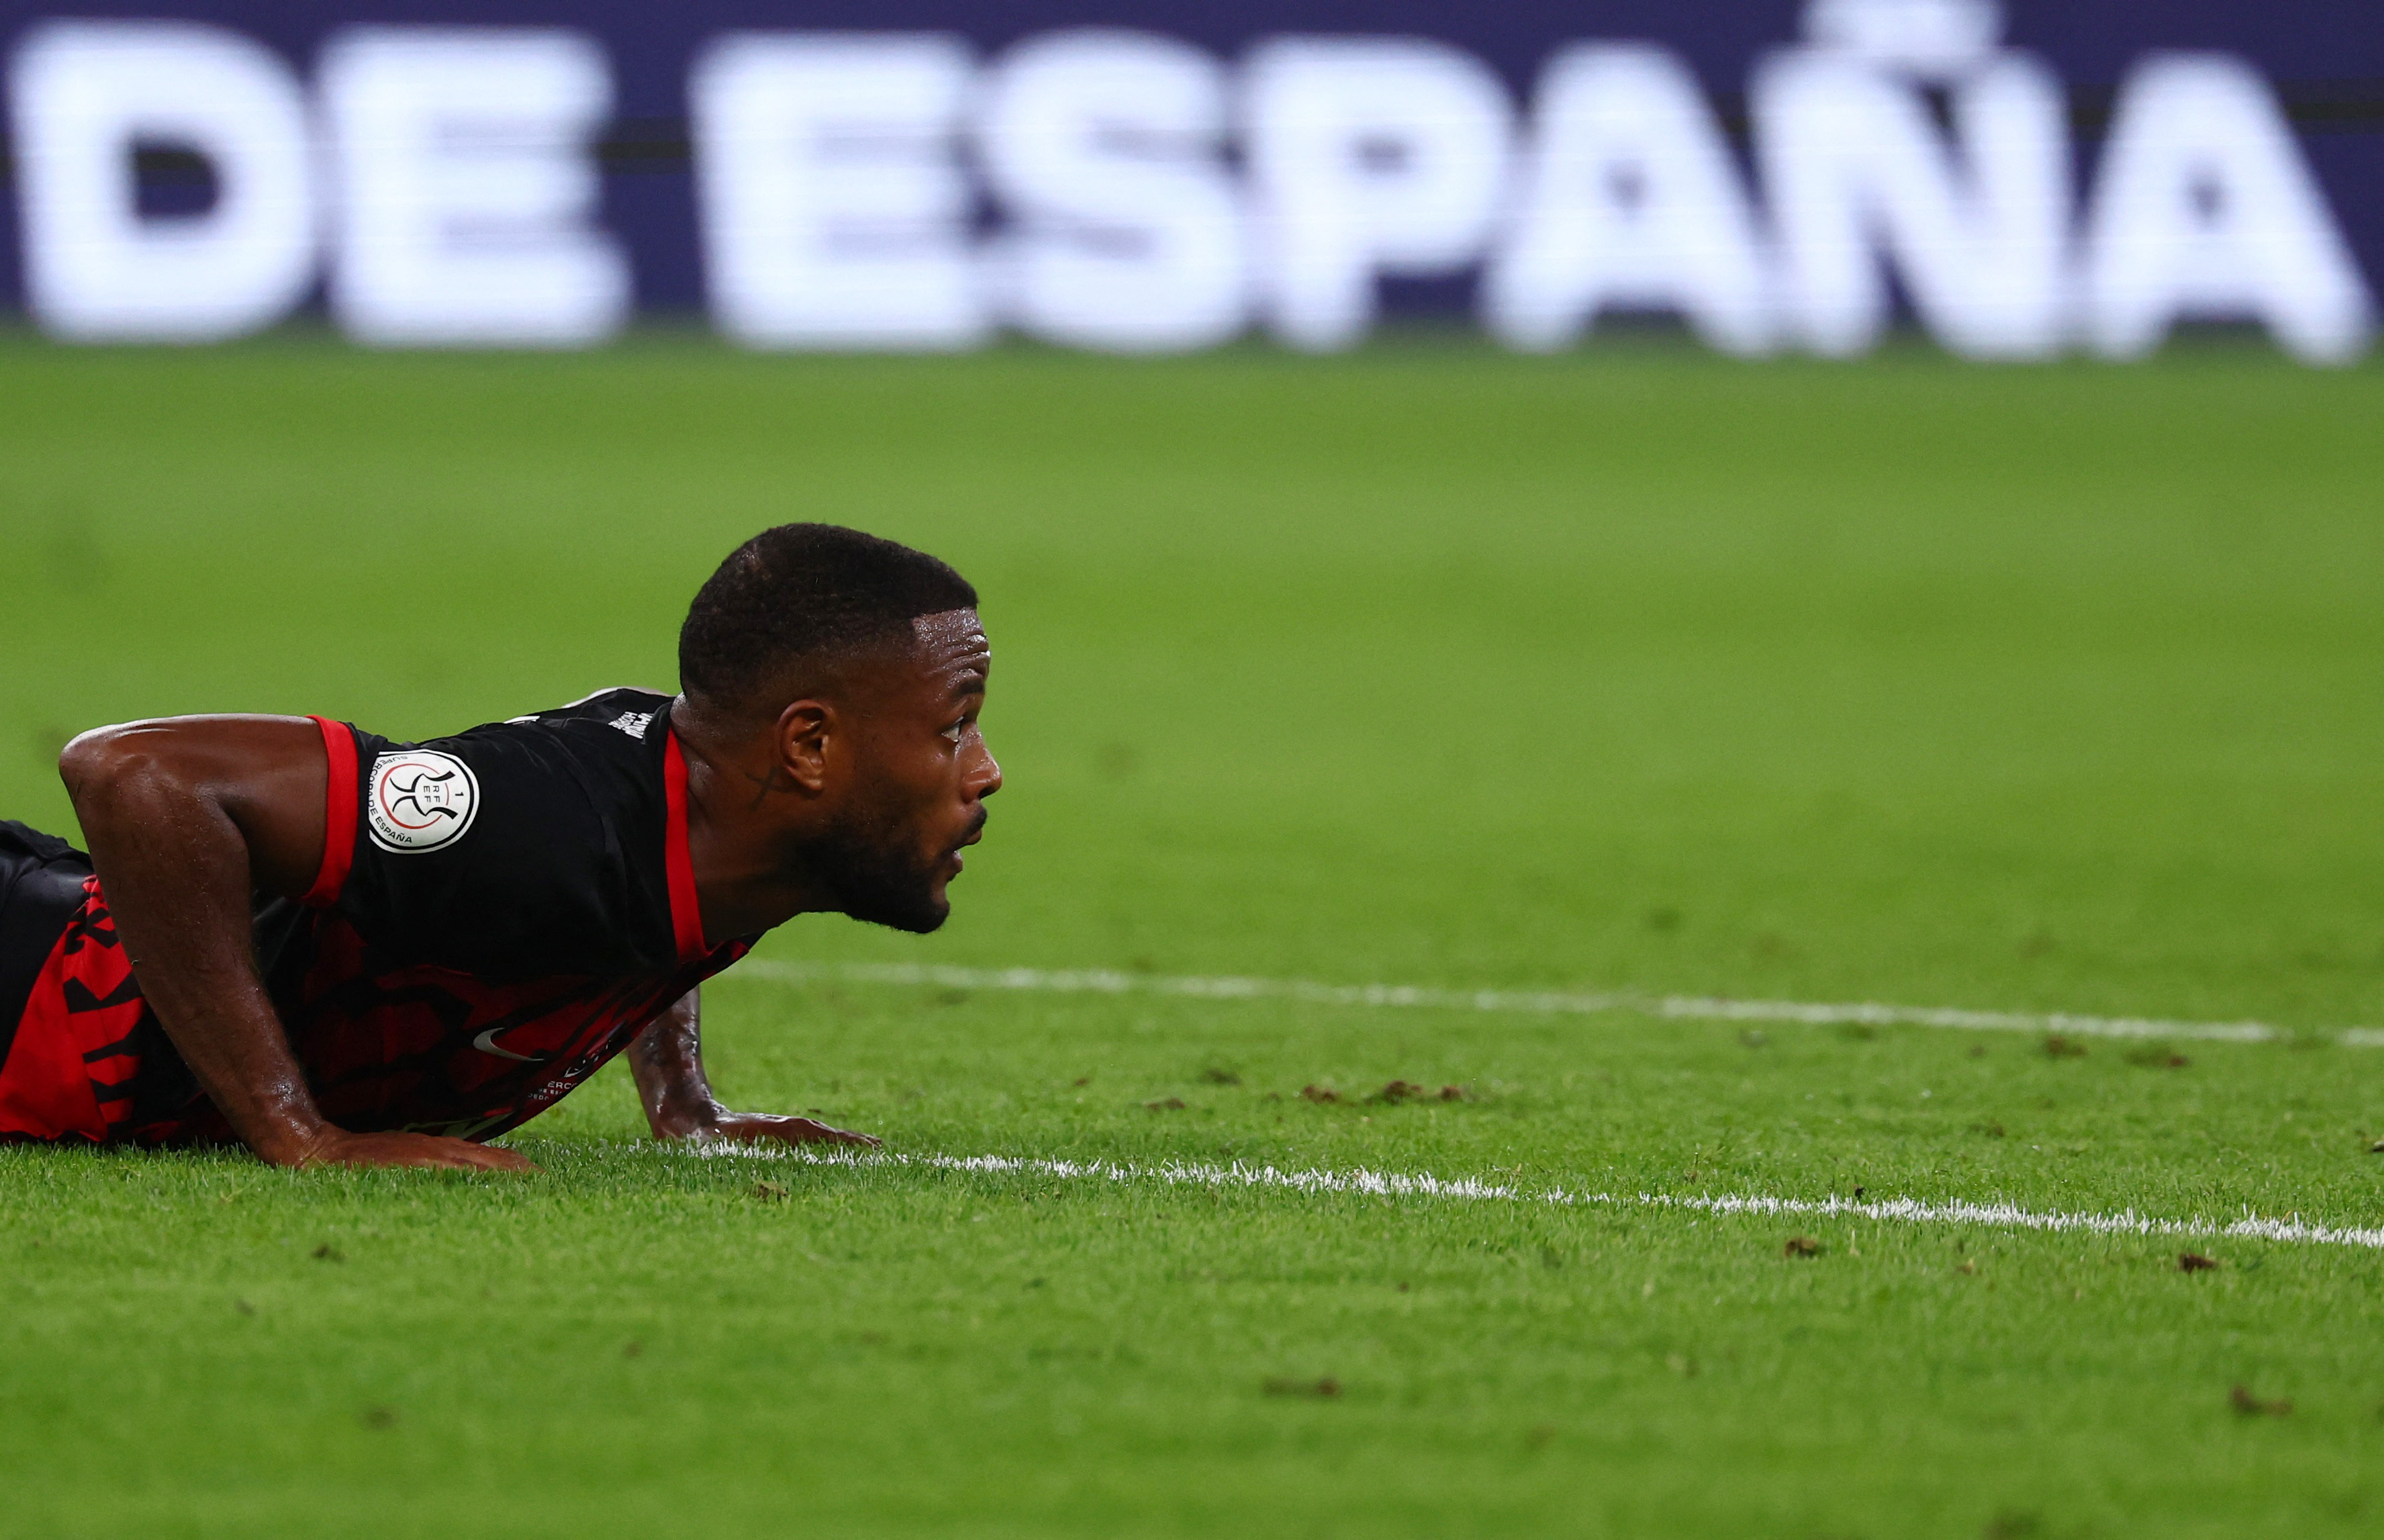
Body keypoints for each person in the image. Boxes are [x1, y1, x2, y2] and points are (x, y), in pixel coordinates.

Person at [0, 524, 998, 1171]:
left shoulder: (744, 824)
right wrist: (297, 1133)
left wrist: (685, 1102)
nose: (985, 770)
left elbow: (668, 869)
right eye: (955, 725)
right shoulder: (538, 821)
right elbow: (133, 775)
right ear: (810, 746)